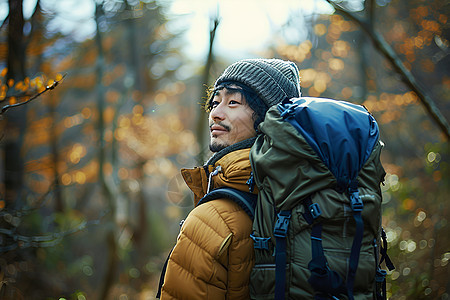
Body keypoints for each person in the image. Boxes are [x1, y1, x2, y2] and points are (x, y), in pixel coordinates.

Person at [158, 58, 301, 299]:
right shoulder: (308, 192)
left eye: (233, 102)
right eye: (215, 102)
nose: (215, 113)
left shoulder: (213, 219)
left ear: (269, 119)